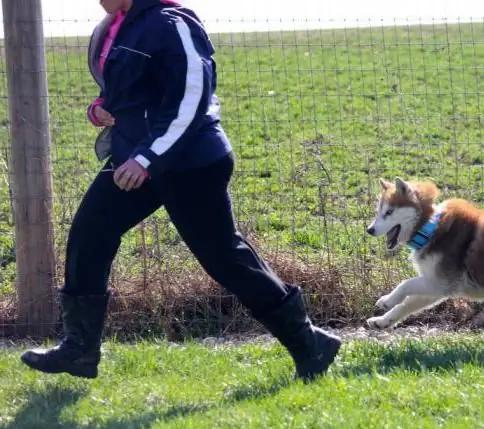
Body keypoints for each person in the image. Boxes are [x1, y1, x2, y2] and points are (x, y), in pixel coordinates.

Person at [20, 0, 341, 382]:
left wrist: (148, 158)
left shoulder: (170, 23)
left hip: (189, 162)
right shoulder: (117, 25)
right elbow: (129, 90)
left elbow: (192, 98)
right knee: (90, 233)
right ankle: (79, 350)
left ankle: (308, 344)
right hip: (135, 160)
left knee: (224, 258)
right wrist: (100, 109)